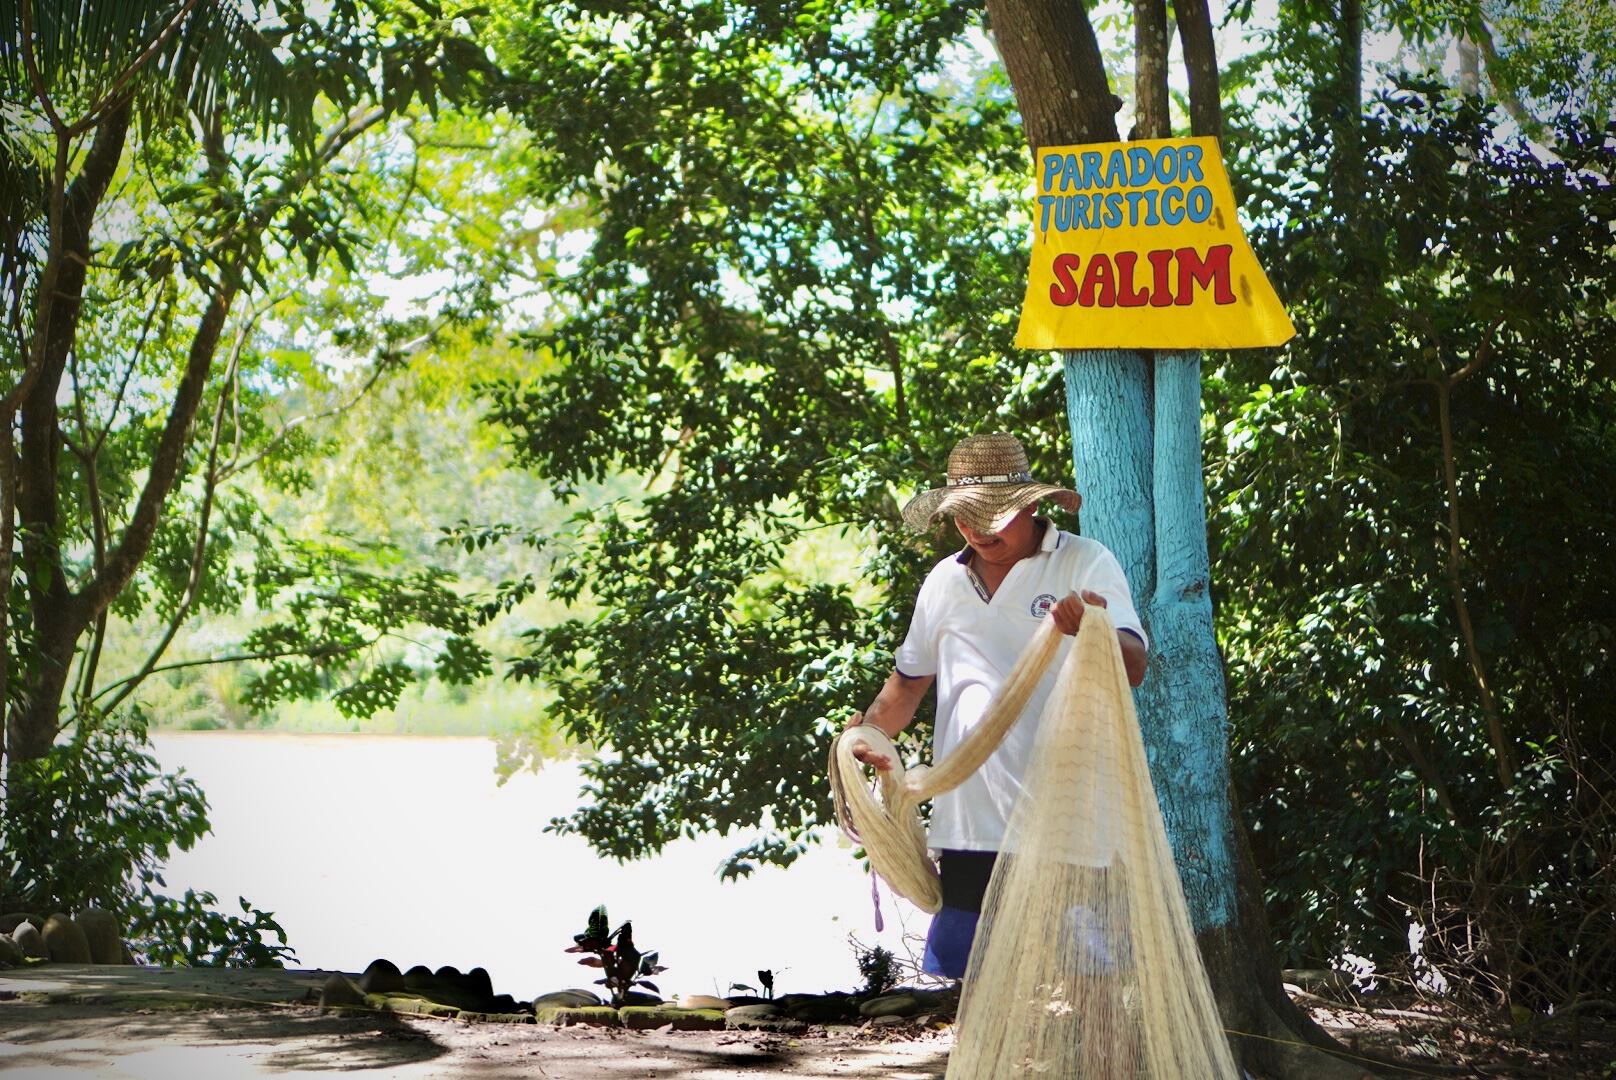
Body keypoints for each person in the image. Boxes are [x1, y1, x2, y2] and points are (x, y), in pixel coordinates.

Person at [845, 431, 1148, 979]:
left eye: (993, 515)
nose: (978, 529)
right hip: (970, 823)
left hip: (1070, 821)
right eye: (965, 517)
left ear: (1030, 505)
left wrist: (1095, 627)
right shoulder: (944, 581)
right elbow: (906, 689)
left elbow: (1134, 667)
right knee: (971, 980)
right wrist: (865, 736)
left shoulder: (1084, 562)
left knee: (1089, 978)